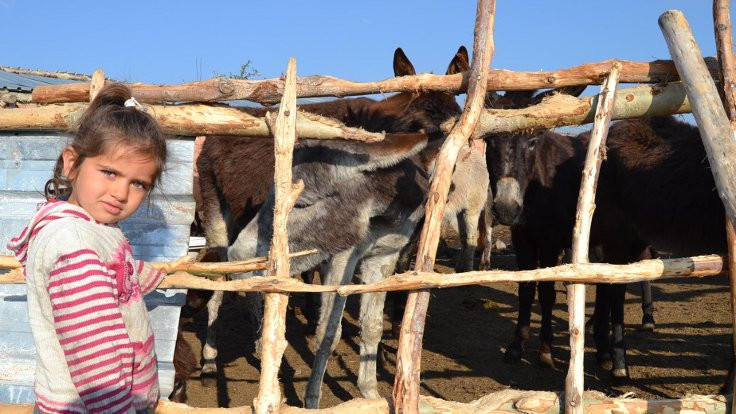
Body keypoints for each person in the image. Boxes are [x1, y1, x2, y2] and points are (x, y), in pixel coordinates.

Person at [7, 83, 170, 413]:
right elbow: (95, 356)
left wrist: (142, 274)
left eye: (138, 183)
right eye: (109, 172)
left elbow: (106, 270)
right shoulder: (74, 244)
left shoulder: (87, 227)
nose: (121, 193)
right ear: (72, 163)